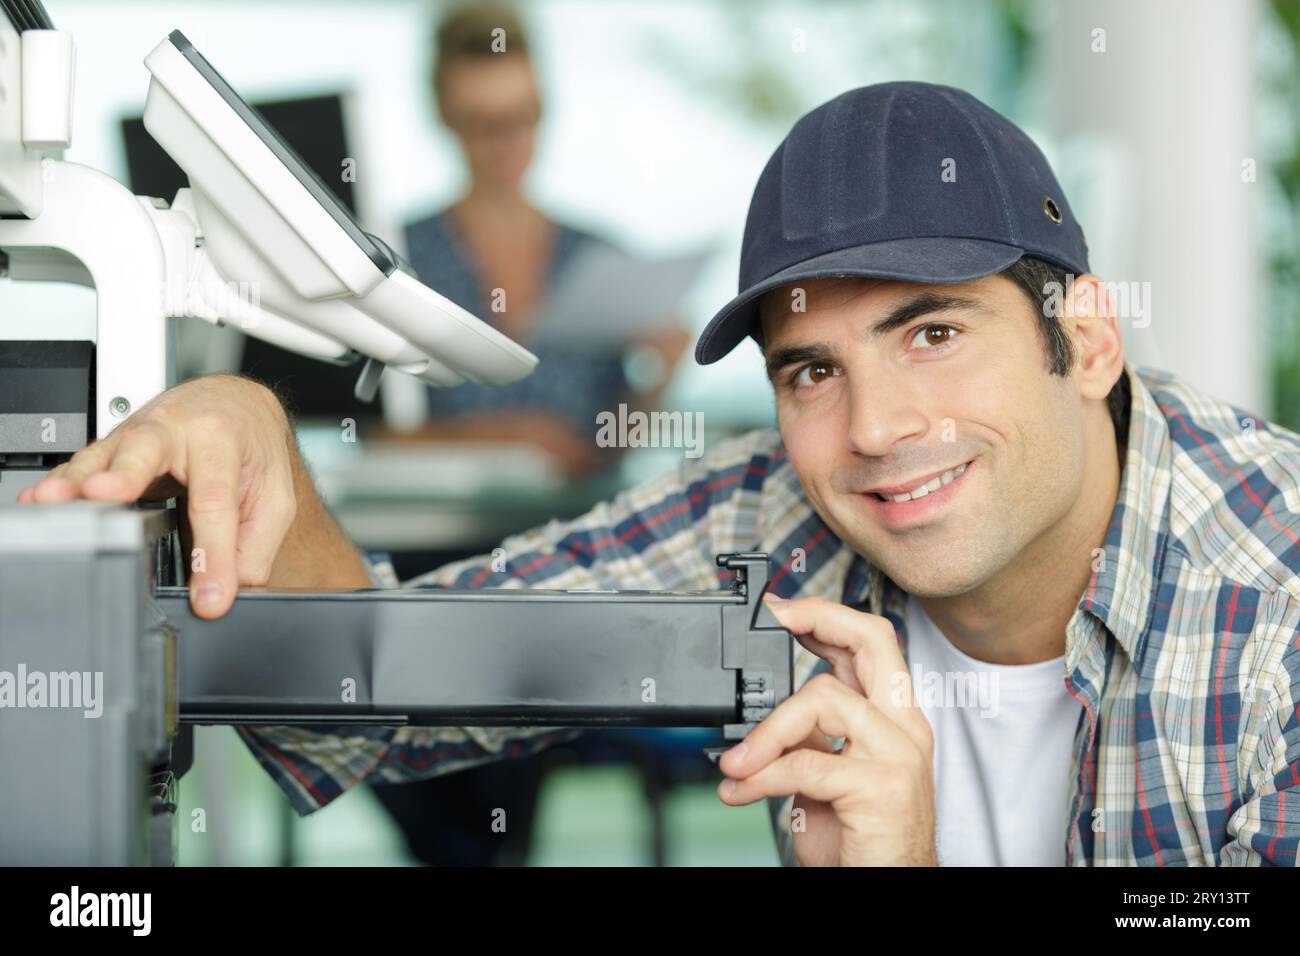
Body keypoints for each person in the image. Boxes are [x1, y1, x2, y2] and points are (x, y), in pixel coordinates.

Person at [20, 81, 1300, 866]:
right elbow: (384, 695)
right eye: (811, 369)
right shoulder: (771, 511)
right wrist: (256, 448)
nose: (874, 426)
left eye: (933, 331)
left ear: (1082, 337)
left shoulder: (1273, 605)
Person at [389, 3, 688, 479]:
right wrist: (508, 439)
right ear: (445, 117)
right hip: (433, 533)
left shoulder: (598, 255)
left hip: (580, 535)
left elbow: (610, 450)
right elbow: (374, 435)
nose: (508, 141)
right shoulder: (395, 256)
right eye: (483, 123)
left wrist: (663, 373)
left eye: (524, 116)